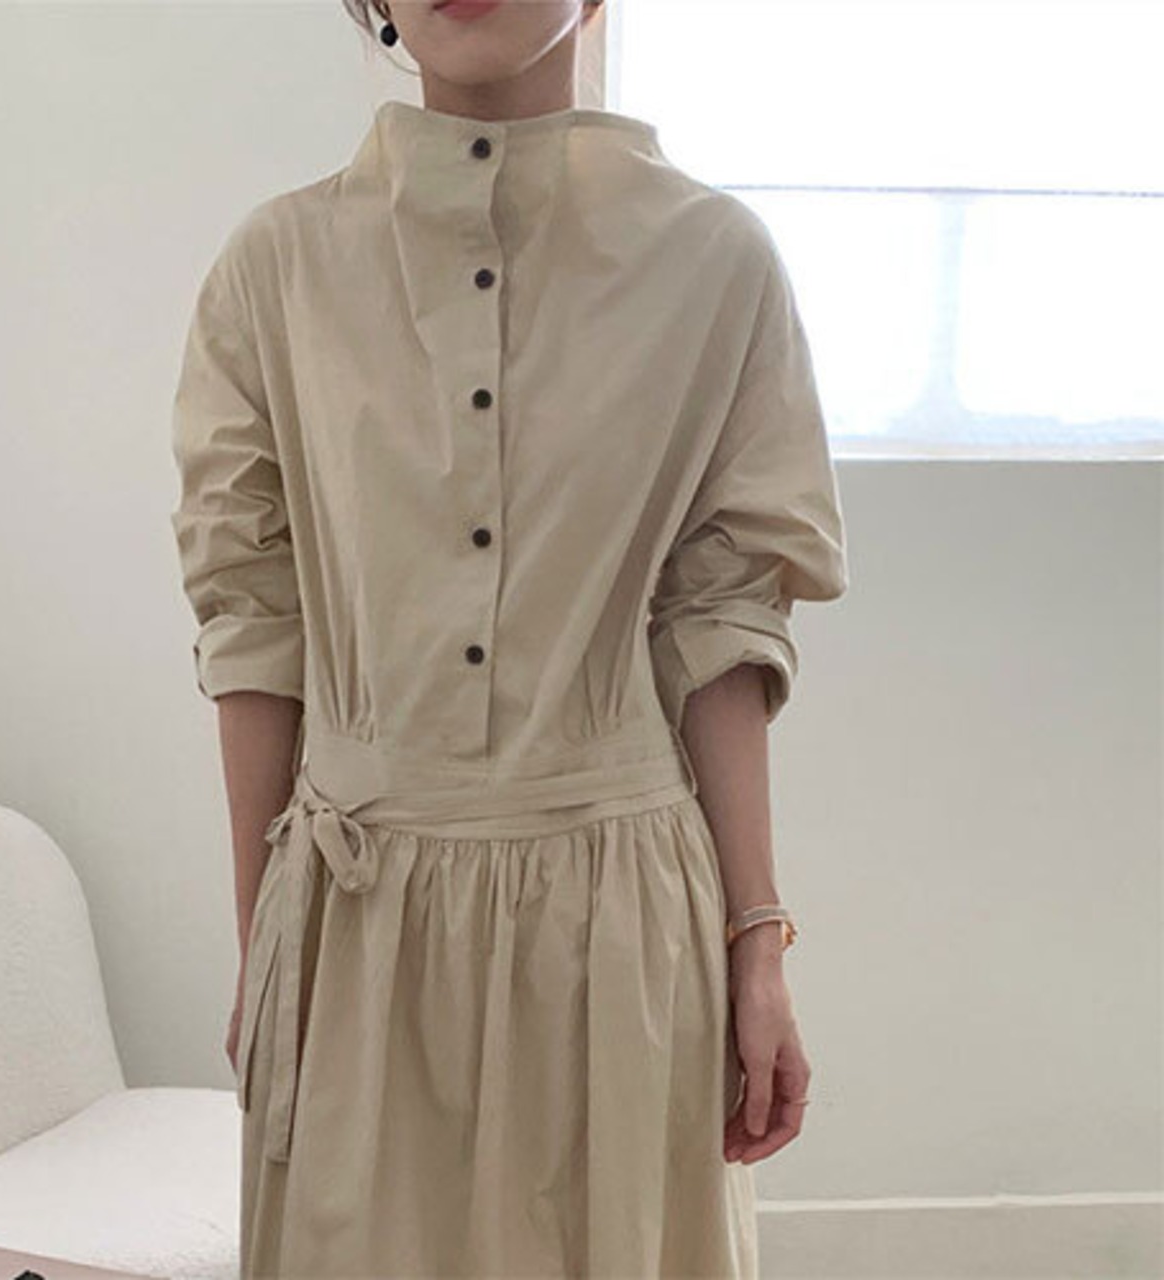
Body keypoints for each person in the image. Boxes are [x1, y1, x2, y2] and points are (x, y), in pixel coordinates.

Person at [169, 0, 849, 1274]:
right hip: (358, 925)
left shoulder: (715, 263)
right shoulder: (274, 269)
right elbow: (254, 621)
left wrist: (756, 943)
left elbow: (720, 620)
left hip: (620, 923)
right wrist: (266, 947)